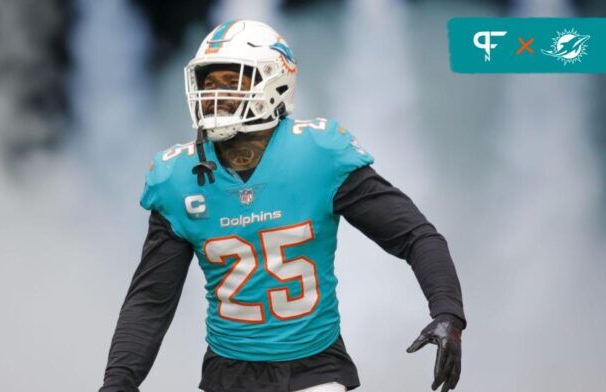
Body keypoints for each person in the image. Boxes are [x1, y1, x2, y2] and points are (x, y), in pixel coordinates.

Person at [100, 20, 466, 392]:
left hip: (315, 366)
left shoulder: (319, 155)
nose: (214, 94)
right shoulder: (178, 178)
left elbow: (416, 236)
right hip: (227, 373)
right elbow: (151, 299)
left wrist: (448, 313)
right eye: (208, 83)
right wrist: (118, 383)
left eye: (232, 82)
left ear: (274, 81)